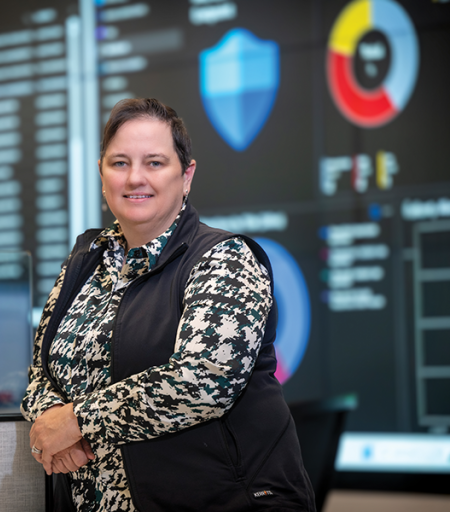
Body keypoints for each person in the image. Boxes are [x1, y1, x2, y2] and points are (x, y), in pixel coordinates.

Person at [21, 98, 315, 512]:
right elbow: (38, 371)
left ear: (187, 175)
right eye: (119, 163)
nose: (135, 178)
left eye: (155, 163)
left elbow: (202, 381)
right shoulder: (85, 259)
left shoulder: (226, 258)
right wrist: (51, 420)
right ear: (101, 173)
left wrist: (76, 422)